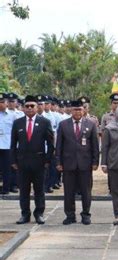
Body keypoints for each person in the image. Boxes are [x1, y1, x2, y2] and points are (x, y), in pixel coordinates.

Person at [11, 95, 54, 224]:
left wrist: (47, 160)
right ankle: (25, 214)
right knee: (23, 190)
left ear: (37, 107)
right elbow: (13, 144)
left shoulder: (44, 122)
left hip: (39, 162)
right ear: (23, 108)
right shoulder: (17, 122)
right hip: (22, 162)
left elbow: (51, 143)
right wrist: (13, 161)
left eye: (32, 106)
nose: (29, 108)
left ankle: (39, 213)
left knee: (39, 190)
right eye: (27, 106)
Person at [56, 100, 99, 225]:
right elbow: (59, 145)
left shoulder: (91, 124)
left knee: (86, 192)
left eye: (80, 109)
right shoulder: (63, 124)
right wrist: (58, 161)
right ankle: (70, 215)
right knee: (68, 192)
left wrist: (95, 161)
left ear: (84, 110)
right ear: (71, 110)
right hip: (68, 164)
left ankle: (86, 214)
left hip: (85, 164)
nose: (78, 112)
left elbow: (95, 145)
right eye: (75, 109)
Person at [0, 93, 17, 194]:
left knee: (7, 169)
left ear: (6, 103)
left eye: (2, 102)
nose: (1, 104)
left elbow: (16, 131)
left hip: (7, 145)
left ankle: (6, 188)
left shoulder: (12, 116)